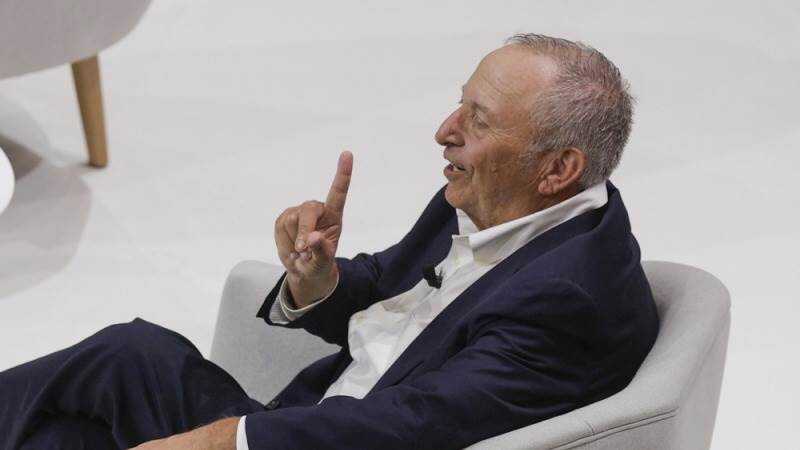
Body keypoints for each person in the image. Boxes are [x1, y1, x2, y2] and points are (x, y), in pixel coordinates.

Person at [0, 33, 659, 450]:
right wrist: (319, 282)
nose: (444, 130)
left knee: (113, 375)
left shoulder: (570, 301)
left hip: (341, 439)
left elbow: (417, 423)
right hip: (311, 420)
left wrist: (228, 440)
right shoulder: (496, 194)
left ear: (558, 168)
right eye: (460, 103)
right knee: (104, 385)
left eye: (477, 120)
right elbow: (395, 290)